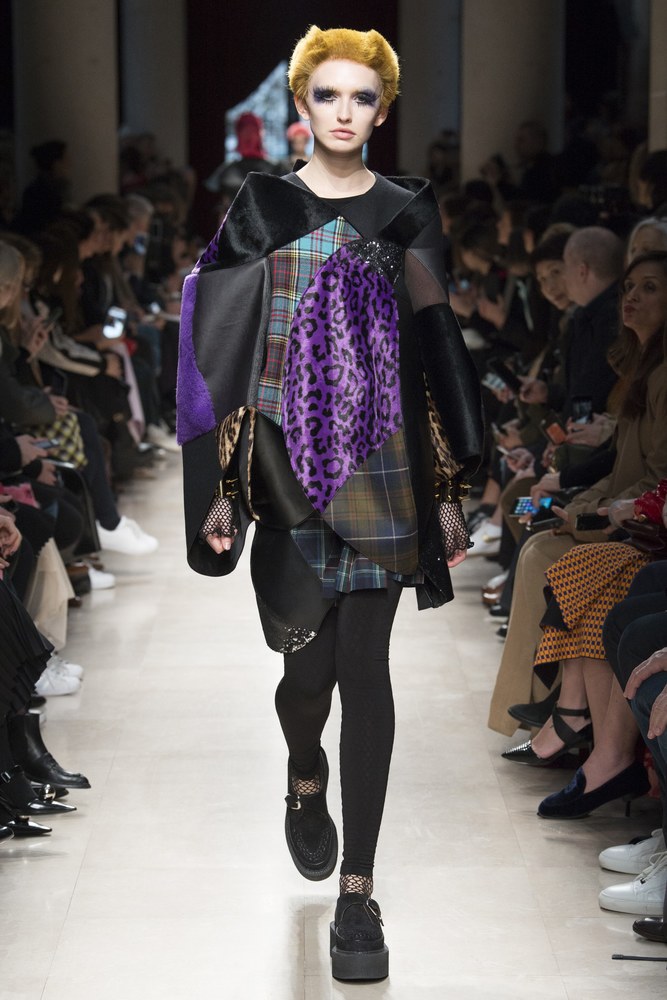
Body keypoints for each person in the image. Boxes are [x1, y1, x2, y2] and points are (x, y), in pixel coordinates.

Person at [177, 25, 483, 982]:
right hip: (283, 470)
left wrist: (449, 485)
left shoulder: (405, 210)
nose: (344, 112)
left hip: (385, 467)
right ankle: (303, 772)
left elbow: (434, 348)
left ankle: (359, 893)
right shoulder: (263, 206)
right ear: (301, 105)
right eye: (327, 95)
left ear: (381, 111)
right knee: (304, 676)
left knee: (366, 672)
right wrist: (220, 491)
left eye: (361, 98)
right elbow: (220, 349)